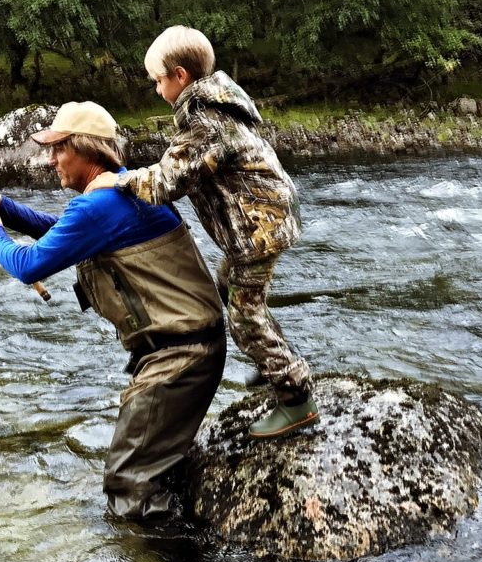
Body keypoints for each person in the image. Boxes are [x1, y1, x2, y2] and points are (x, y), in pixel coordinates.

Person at [0, 100, 226, 520]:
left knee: (128, 487)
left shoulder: (98, 206)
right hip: (190, 349)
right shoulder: (126, 189)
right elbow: (69, 235)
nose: (51, 159)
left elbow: (30, 265)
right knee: (148, 476)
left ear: (84, 149)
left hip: (179, 357)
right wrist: (4, 208)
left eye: (58, 148)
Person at [89, 25, 317, 439]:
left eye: (158, 81)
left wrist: (118, 182)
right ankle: (277, 367)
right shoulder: (215, 105)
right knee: (231, 287)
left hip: (257, 228)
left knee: (244, 315)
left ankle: (296, 397)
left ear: (180, 76)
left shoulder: (204, 122)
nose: (156, 90)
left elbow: (165, 184)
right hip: (263, 220)